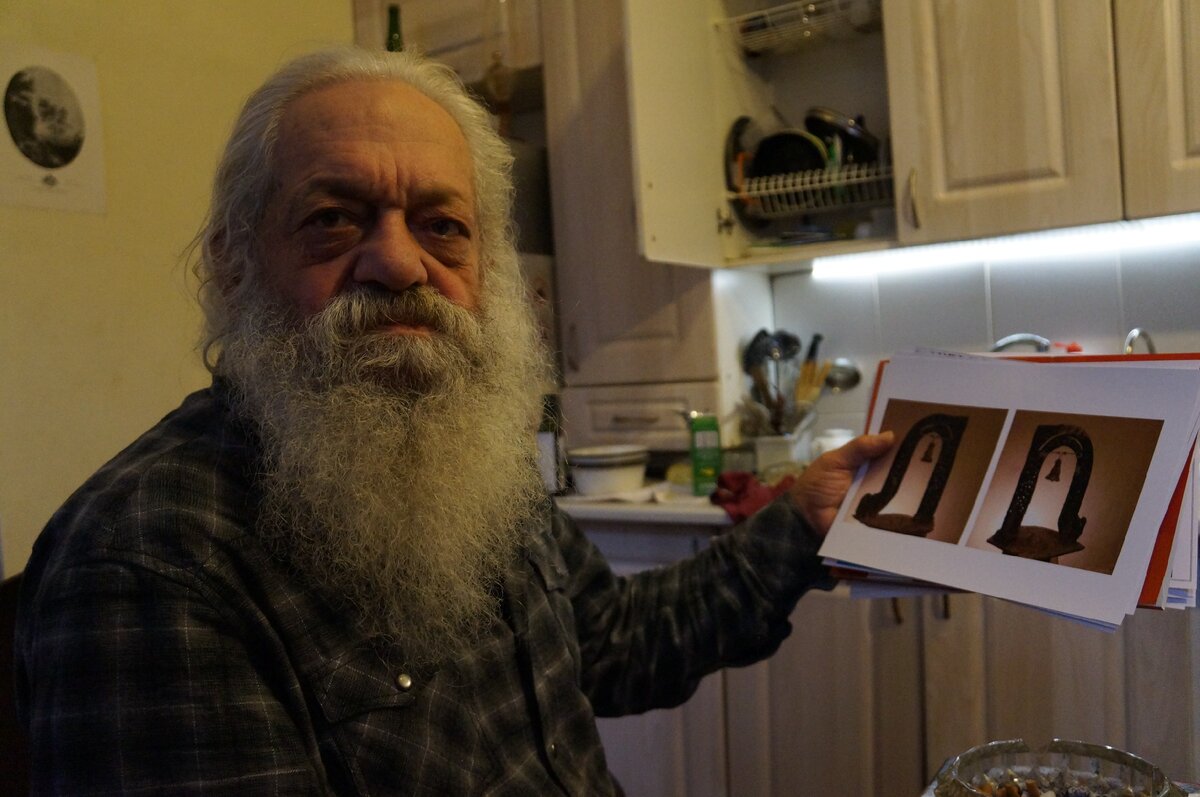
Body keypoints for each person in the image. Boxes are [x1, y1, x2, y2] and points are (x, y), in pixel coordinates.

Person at [14, 46, 893, 795]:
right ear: (233, 263)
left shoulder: (471, 456)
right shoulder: (148, 562)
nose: (399, 263)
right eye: (333, 218)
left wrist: (800, 521)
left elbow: (614, 643)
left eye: (442, 225)